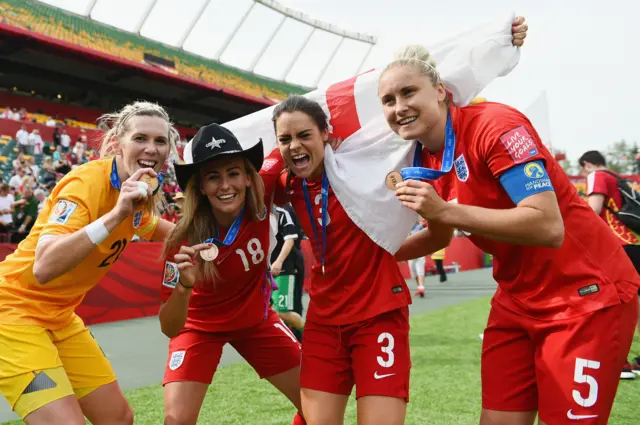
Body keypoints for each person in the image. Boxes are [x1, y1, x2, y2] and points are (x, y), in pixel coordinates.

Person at [378, 44, 640, 425]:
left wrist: (445, 210)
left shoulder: (495, 125)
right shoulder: (424, 158)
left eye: (408, 92)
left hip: (586, 297)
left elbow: (548, 226)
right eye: (388, 100)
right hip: (516, 301)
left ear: (439, 90)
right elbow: (437, 237)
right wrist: (373, 257)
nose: (398, 107)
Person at [0, 101, 179, 425]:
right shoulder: (86, 184)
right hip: (11, 317)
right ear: (117, 143)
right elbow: (44, 267)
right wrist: (115, 216)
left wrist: (218, 241)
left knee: (118, 418)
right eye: (140, 138)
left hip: (61, 318)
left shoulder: (136, 193)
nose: (151, 148)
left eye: (160, 141)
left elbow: (163, 230)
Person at [273, 95, 414, 425]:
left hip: (378, 314)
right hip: (325, 322)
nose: (294, 146)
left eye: (304, 135)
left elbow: (439, 236)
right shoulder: (287, 184)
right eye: (285, 139)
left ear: (325, 133)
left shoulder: (364, 169)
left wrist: (384, 250)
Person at [159, 124, 305, 425]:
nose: (225, 185)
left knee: (321, 405)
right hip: (198, 329)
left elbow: (293, 143)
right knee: (176, 422)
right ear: (200, 186)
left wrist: (338, 137)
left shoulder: (262, 188)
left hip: (256, 320)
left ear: (249, 177)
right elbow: (170, 327)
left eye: (233, 173)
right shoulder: (180, 241)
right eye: (213, 177)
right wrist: (185, 286)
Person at [579, 150, 640, 379]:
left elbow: (593, 210)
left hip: (616, 247)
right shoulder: (618, 178)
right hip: (635, 243)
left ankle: (619, 362)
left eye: (583, 170)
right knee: (636, 302)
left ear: (587, 164)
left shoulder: (597, 176)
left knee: (613, 302)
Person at [270, 203, 306, 334]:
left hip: (285, 269)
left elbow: (290, 239)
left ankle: (310, 333)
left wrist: (278, 262)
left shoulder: (282, 211)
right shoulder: (255, 210)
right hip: (265, 272)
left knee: (282, 311)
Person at [407, 220, 428, 297]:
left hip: (419, 253)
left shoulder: (419, 227)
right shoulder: (404, 230)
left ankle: (421, 287)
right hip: (410, 255)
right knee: (414, 273)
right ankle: (419, 287)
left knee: (420, 271)